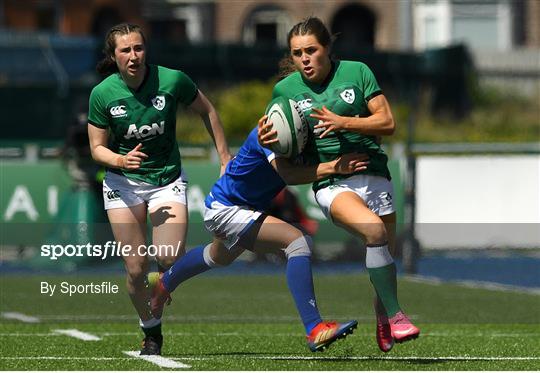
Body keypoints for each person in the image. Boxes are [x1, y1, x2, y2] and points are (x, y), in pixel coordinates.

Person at [259, 17, 420, 353]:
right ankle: (398, 315)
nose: (304, 58)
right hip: (331, 181)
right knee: (374, 232)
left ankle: (382, 315)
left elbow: (387, 122)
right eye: (297, 53)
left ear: (327, 49)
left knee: (383, 255)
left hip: (374, 173)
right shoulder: (285, 90)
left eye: (311, 51)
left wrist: (343, 121)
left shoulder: (357, 71)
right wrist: (268, 138)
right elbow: (278, 142)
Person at [148, 116, 369, 352]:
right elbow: (289, 175)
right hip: (227, 208)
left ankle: (164, 284)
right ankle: (314, 328)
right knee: (297, 243)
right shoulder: (268, 131)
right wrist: (335, 166)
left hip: (232, 206)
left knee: (218, 257)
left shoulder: (304, 133)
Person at [87, 23, 231, 355]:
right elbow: (97, 148)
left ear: (146, 50)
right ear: (114, 56)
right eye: (125, 50)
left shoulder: (172, 80)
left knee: (168, 258)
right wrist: (121, 162)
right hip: (122, 184)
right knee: (136, 269)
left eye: (138, 48)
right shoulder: (103, 94)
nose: (133, 56)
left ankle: (163, 284)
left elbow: (208, 110)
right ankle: (151, 332)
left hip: (166, 180)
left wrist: (225, 157)